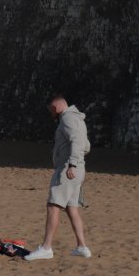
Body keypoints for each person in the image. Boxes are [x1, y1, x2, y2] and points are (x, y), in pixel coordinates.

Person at [25, 94, 92, 261]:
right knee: (71, 208)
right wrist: (76, 162)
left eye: (51, 111)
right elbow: (86, 146)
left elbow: (78, 141)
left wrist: (72, 164)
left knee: (53, 206)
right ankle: (82, 247)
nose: (51, 114)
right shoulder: (77, 118)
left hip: (68, 169)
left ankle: (46, 248)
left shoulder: (68, 118)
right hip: (77, 169)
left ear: (55, 107)